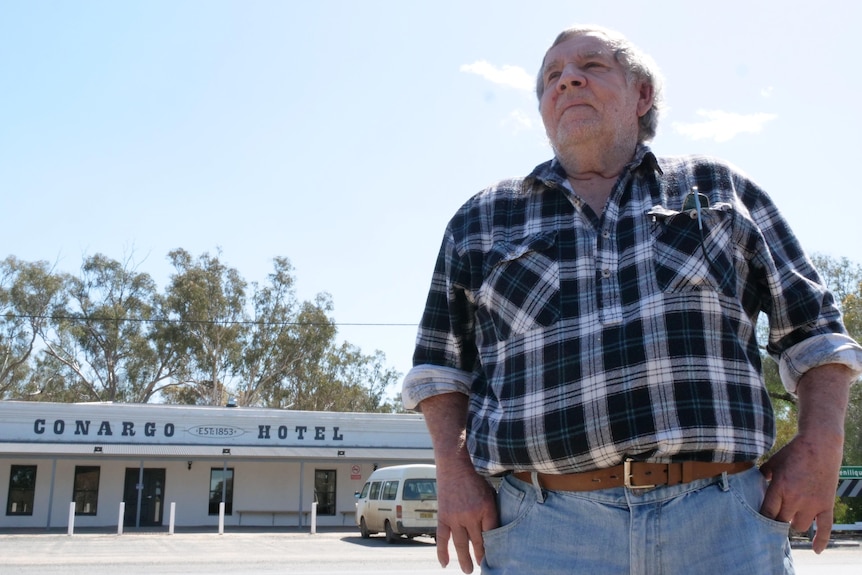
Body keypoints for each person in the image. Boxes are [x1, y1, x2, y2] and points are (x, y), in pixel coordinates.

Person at [402, 24, 862, 575]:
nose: (567, 80)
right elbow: (439, 370)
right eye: (552, 77)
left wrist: (820, 443)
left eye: (591, 67)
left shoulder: (719, 189)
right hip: (542, 534)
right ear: (545, 110)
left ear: (642, 95)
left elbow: (816, 331)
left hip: (722, 527)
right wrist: (454, 476)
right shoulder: (483, 219)